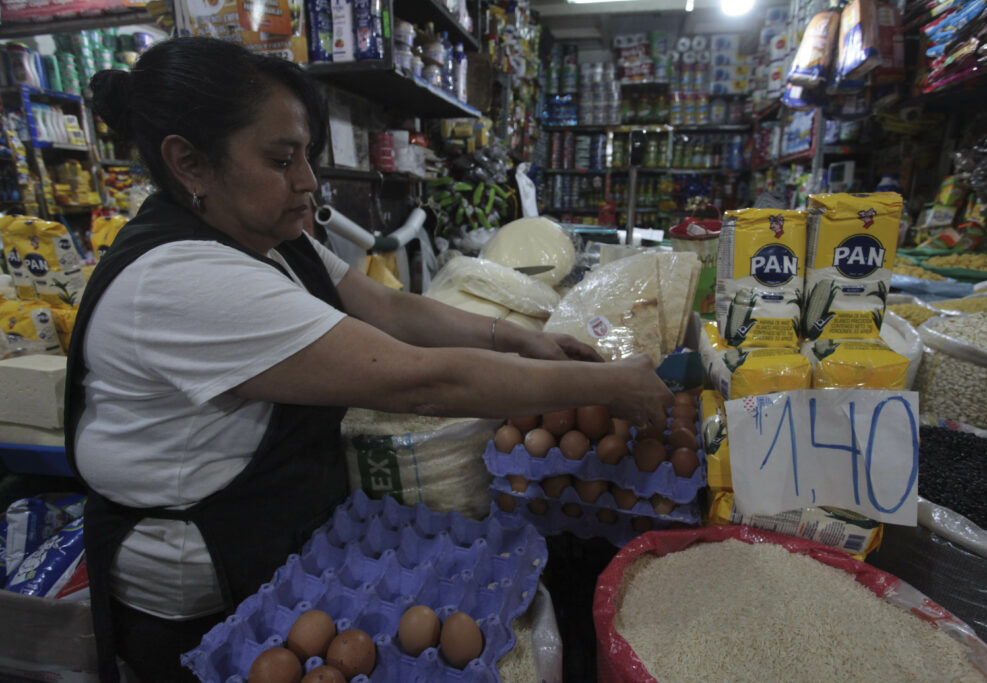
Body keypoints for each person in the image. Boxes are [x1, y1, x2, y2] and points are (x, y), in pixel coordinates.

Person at [67, 37, 673, 682]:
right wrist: (605, 384)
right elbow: (420, 383)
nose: (307, 181)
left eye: (307, 156)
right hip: (204, 589)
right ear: (189, 162)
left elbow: (390, 308)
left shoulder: (267, 237)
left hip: (278, 541)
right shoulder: (182, 279)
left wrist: (522, 339)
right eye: (281, 160)